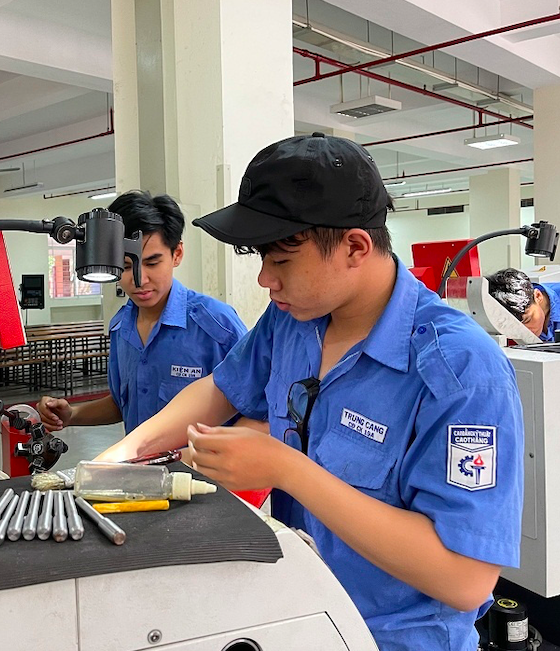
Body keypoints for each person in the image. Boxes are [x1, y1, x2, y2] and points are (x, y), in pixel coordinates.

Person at [97, 134, 524, 651]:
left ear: (355, 247)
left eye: (281, 261)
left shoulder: (459, 370)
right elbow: (221, 388)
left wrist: (286, 468)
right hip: (300, 615)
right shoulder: (293, 321)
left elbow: (464, 577)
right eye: (262, 259)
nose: (265, 280)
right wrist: (120, 457)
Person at [37, 190, 247, 436]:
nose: (140, 279)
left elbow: (255, 407)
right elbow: (122, 403)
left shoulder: (217, 325)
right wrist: (72, 415)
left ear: (177, 254)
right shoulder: (121, 327)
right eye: (126, 266)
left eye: (152, 263)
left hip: (198, 462)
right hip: (138, 461)